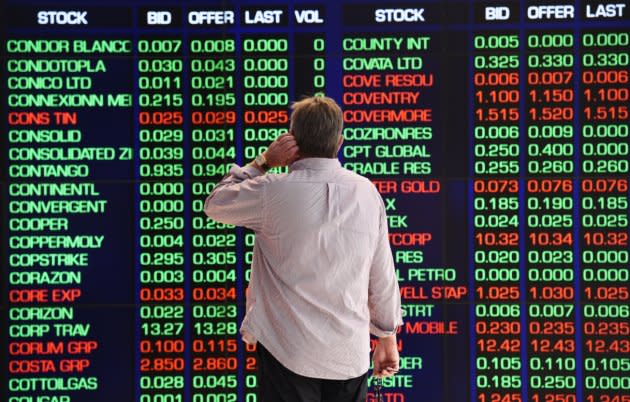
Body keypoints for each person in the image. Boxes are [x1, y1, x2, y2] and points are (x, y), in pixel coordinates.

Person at [204, 96, 403, 402]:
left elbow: (215, 203)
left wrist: (263, 162)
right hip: (349, 356)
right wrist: (386, 336)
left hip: (287, 352)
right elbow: (382, 273)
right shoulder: (366, 192)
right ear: (339, 142)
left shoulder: (271, 191)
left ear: (291, 141)